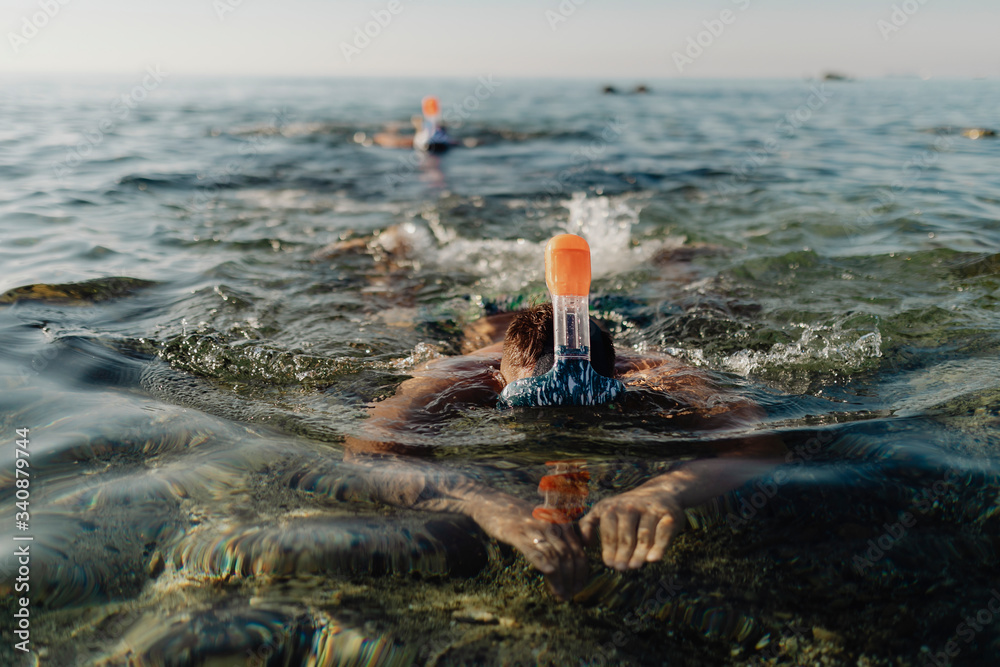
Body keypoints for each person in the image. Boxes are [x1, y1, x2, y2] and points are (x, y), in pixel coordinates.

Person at [343, 303, 784, 602]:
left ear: (618, 381)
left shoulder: (655, 374)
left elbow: (759, 443)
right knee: (397, 311)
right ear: (501, 384)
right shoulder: (457, 377)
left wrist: (664, 491)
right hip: (486, 315)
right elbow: (368, 454)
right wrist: (484, 503)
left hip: (619, 317)